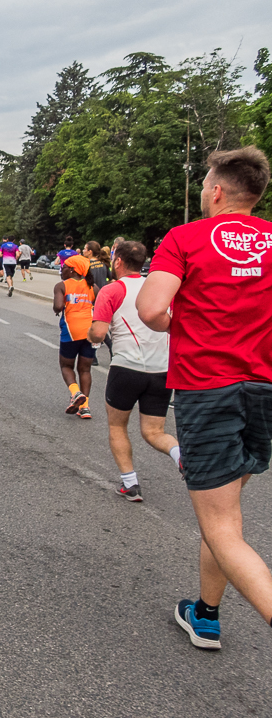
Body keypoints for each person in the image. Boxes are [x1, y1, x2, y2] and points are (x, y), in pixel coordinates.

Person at [137, 146, 272, 651]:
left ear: (216, 190)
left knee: (221, 525)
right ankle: (206, 614)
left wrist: (188, 325)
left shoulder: (186, 237)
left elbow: (151, 309)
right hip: (263, 388)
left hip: (208, 387)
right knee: (225, 514)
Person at [87, 241, 181, 502]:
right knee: (154, 432)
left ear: (117, 262)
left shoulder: (112, 290)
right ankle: (181, 456)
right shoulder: (161, 288)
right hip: (162, 370)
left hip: (126, 368)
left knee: (117, 426)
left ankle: (130, 483)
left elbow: (98, 333)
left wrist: (89, 335)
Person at [52, 254, 96, 417]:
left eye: (63, 267)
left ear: (72, 270)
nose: (61, 270)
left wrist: (61, 307)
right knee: (85, 369)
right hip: (90, 332)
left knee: (66, 366)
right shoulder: (92, 286)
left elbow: (58, 306)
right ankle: (85, 407)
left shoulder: (61, 286)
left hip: (71, 331)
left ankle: (76, 393)